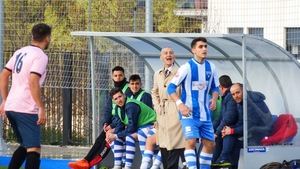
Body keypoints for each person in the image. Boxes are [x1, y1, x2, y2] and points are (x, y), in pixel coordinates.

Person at [0, 23, 51, 169]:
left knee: (25, 145)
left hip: (12, 107)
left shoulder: (20, 52)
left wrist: (5, 100)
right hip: (26, 107)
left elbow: (3, 75)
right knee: (34, 148)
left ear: (33, 36)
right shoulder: (40, 56)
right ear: (47, 38)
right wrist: (41, 107)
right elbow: (33, 80)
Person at [168, 37, 219, 169]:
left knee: (210, 144)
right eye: (201, 47)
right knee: (191, 141)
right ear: (193, 50)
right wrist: (180, 104)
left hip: (205, 114)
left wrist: (214, 99)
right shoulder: (186, 67)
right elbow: (170, 88)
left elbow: (215, 87)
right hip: (189, 113)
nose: (204, 49)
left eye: (206, 46)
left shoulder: (212, 67)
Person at [68, 66, 131, 169]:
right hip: (114, 122)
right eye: (115, 76)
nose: (118, 78)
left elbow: (125, 112)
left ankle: (89, 164)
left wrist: (112, 126)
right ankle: (85, 160)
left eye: (120, 75)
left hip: (122, 123)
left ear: (124, 76)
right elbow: (108, 109)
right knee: (100, 139)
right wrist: (106, 123)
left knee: (106, 142)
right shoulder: (113, 90)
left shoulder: (127, 90)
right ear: (112, 77)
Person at [141, 47, 185, 169]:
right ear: (161, 57)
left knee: (175, 144)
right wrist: (156, 106)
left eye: (171, 53)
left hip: (175, 109)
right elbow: (154, 91)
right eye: (165, 53)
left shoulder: (180, 72)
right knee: (163, 144)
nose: (168, 55)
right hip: (162, 112)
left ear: (174, 57)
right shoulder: (157, 73)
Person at [106, 88, 156, 169]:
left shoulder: (131, 105)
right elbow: (120, 125)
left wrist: (115, 136)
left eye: (120, 96)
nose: (119, 100)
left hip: (152, 125)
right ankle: (118, 165)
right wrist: (112, 136)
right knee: (116, 137)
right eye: (116, 98)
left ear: (124, 95)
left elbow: (132, 128)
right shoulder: (118, 108)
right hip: (140, 127)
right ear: (113, 101)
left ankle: (137, 165)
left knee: (131, 136)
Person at [212, 75, 239, 168]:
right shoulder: (226, 97)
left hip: (234, 131)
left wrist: (217, 132)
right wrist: (210, 129)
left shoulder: (230, 96)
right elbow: (220, 117)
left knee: (225, 158)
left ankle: (221, 162)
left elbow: (229, 118)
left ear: (221, 86)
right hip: (227, 130)